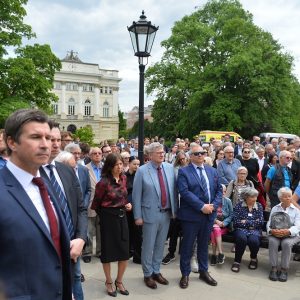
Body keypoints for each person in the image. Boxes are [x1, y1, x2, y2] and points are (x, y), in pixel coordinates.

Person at [0, 109, 72, 300]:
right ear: (11, 142)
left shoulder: (46, 184)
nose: (45, 145)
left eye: (48, 137)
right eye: (35, 137)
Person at [40, 126, 87, 300]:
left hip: (74, 245)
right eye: (50, 139)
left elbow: (80, 207)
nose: (55, 144)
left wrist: (81, 238)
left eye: (58, 140)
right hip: (49, 251)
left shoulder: (66, 169)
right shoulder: (33, 174)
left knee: (75, 282)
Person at [132, 142, 177, 290]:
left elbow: (173, 191)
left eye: (163, 151)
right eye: (158, 152)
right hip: (149, 214)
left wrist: (174, 211)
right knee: (148, 245)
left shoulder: (170, 168)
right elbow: (136, 195)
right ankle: (147, 274)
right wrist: (137, 216)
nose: (162, 154)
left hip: (166, 214)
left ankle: (156, 271)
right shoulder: (142, 171)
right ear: (150, 155)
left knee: (160, 245)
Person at [177, 144, 222, 289]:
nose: (200, 155)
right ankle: (185, 274)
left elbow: (219, 191)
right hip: (191, 216)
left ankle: (203, 271)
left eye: (202, 153)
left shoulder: (212, 171)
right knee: (188, 246)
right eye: (196, 154)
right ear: (190, 156)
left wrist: (213, 206)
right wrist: (202, 206)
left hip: (209, 215)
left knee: (203, 245)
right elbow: (184, 192)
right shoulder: (184, 172)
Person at [91, 153, 132, 297]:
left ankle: (119, 281)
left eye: (121, 164)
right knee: (108, 252)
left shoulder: (124, 178)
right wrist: (107, 214)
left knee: (124, 252)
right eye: (116, 165)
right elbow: (95, 204)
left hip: (122, 217)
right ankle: (108, 281)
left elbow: (123, 197)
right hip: (108, 219)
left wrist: (127, 204)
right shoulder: (103, 183)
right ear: (109, 166)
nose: (120, 167)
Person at [267, 187, 300, 282]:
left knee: (286, 243)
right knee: (272, 241)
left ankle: (284, 269)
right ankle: (273, 268)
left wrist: (288, 231)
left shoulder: (296, 211)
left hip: (292, 235)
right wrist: (271, 231)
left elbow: (298, 226)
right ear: (280, 198)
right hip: (276, 233)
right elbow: (269, 222)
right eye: (285, 197)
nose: (289, 198)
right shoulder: (275, 208)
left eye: (289, 196)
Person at [162, 151, 188, 265]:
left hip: (188, 204)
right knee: (174, 229)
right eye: (180, 159)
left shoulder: (191, 169)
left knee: (187, 230)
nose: (182, 160)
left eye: (184, 158)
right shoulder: (174, 169)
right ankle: (171, 252)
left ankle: (187, 254)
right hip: (177, 202)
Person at [231, 187, 264, 273]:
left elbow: (260, 222)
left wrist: (245, 221)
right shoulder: (239, 206)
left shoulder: (259, 206)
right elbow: (236, 222)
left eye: (256, 197)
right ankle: (237, 261)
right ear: (246, 197)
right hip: (240, 229)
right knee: (241, 239)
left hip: (255, 230)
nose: (255, 199)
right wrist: (253, 222)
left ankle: (253, 258)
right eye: (252, 197)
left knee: (254, 241)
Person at [83, 147, 103, 262]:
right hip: (89, 203)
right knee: (89, 230)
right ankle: (87, 251)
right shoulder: (85, 169)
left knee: (100, 229)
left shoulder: (106, 168)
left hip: (103, 204)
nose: (97, 155)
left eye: (99, 153)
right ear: (90, 156)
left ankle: (99, 250)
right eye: (94, 153)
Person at [210, 184, 233, 266]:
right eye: (220, 191)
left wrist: (224, 223)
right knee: (215, 229)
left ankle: (214, 255)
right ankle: (220, 253)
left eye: (224, 191)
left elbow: (231, 215)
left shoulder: (228, 201)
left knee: (214, 231)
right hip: (213, 224)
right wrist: (216, 221)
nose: (222, 193)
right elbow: (209, 214)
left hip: (224, 226)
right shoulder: (212, 201)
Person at [125, 156, 142, 264]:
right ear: (129, 164)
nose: (136, 166)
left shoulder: (140, 176)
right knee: (127, 231)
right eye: (134, 164)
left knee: (138, 233)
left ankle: (137, 256)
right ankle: (127, 252)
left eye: (138, 164)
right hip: (127, 207)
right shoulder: (124, 176)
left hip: (138, 207)